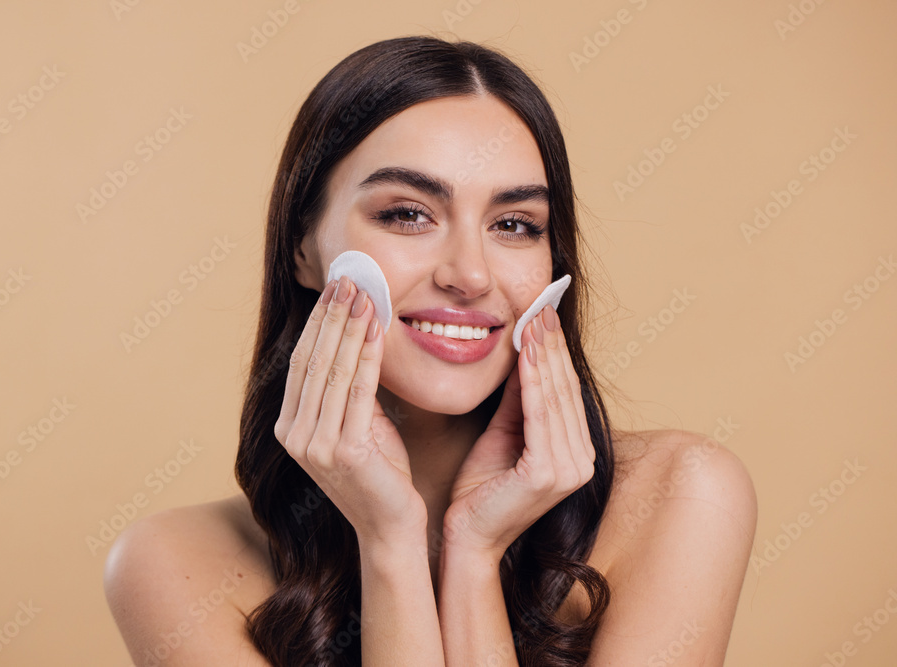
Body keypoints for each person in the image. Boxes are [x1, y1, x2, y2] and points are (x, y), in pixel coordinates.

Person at [103, 35, 757, 666]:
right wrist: (389, 543)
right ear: (304, 247)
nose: (469, 275)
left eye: (513, 224)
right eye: (407, 213)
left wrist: (472, 553)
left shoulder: (685, 494)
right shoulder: (173, 562)